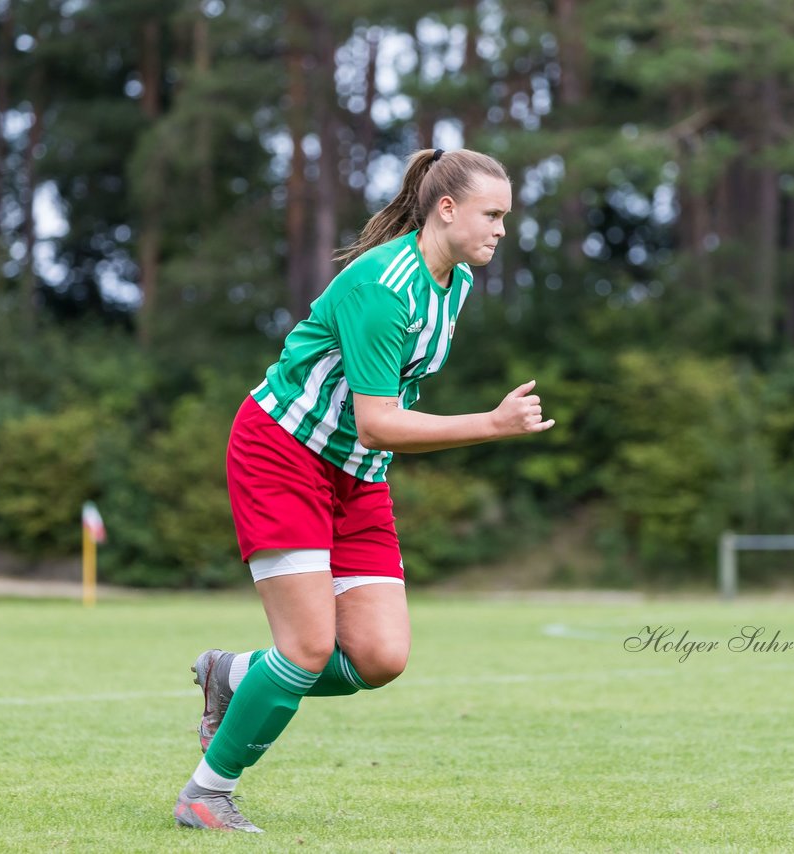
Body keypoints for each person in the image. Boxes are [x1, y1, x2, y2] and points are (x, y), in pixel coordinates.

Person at [173, 147, 555, 833]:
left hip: (355, 474)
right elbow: (380, 423)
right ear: (446, 209)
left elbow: (380, 417)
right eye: (491, 215)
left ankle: (232, 675)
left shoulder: (455, 282)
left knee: (379, 657)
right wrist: (492, 424)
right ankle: (206, 794)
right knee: (307, 648)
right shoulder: (383, 286)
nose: (501, 229)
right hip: (281, 454)